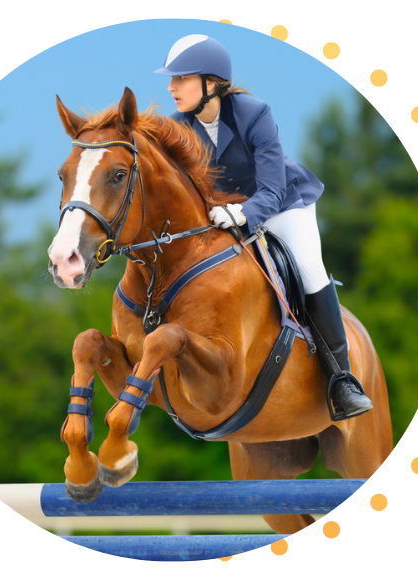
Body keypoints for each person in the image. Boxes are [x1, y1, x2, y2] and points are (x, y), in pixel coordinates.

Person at [154, 34, 372, 420]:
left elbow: (271, 189)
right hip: (221, 215)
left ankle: (342, 380)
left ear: (211, 82)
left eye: (181, 78)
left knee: (308, 269)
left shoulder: (254, 114)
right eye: (171, 79)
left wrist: (241, 215)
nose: (171, 87)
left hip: (283, 205)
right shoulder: (177, 128)